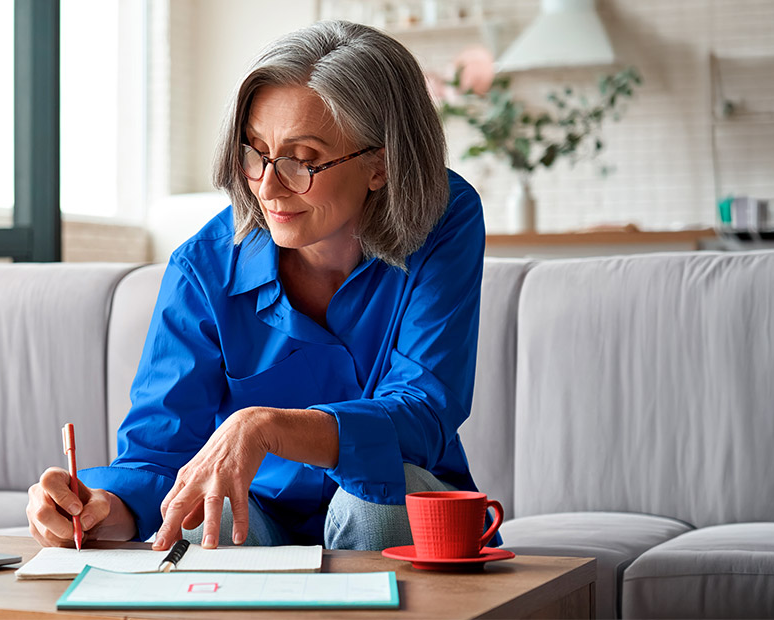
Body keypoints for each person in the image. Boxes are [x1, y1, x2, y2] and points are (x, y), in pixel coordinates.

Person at [26, 20, 492, 552]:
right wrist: (100, 510)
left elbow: (423, 410)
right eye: (254, 153)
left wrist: (267, 426)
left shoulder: (443, 218)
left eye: (301, 160)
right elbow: (158, 456)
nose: (267, 187)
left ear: (379, 166)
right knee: (204, 515)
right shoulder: (203, 266)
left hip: (395, 504)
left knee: (374, 497)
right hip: (260, 513)